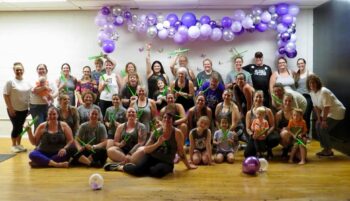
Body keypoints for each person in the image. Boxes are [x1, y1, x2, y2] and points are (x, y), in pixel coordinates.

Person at [104, 112, 197, 178]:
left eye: (169, 118)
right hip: (151, 157)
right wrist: (157, 143)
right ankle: (120, 167)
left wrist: (188, 166)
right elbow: (147, 149)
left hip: (166, 161)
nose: (166, 120)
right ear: (162, 120)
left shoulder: (177, 133)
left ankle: (152, 169)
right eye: (164, 118)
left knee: (155, 172)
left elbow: (181, 151)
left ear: (172, 121)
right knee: (137, 172)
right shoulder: (156, 132)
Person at [307, 74, 346, 156]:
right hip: (327, 112)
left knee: (322, 128)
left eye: (313, 83)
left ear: (317, 83)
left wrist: (323, 120)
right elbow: (316, 107)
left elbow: (327, 107)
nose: (312, 85)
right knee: (317, 126)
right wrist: (318, 119)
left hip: (336, 112)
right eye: (310, 83)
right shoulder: (312, 92)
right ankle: (325, 148)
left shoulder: (324, 91)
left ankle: (329, 150)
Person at [3, 62, 31, 153]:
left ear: (23, 70)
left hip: (24, 109)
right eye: (17, 70)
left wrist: (29, 108)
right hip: (14, 109)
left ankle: (19, 144)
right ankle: (13, 145)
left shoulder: (27, 82)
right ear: (14, 70)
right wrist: (10, 108)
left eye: (20, 69)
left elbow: (29, 95)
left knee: (20, 127)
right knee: (16, 127)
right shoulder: (10, 82)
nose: (19, 71)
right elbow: (5, 95)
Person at [245, 91, 277, 159]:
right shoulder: (249, 113)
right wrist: (252, 135)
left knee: (275, 139)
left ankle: (268, 149)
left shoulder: (268, 111)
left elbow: (272, 126)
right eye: (256, 97)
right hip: (255, 135)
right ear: (253, 98)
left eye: (260, 97)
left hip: (265, 134)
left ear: (263, 99)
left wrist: (266, 134)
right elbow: (247, 128)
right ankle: (258, 151)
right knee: (247, 154)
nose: (258, 99)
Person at [30, 64, 58, 130]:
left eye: (43, 69)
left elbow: (57, 91)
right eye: (39, 69)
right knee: (39, 126)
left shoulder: (51, 81)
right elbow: (34, 90)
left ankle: (46, 140)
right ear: (37, 71)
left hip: (48, 107)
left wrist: (52, 96)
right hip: (36, 107)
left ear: (46, 71)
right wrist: (45, 87)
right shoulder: (33, 80)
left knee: (49, 126)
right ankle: (38, 140)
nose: (41, 70)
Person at [294, 58, 313, 139]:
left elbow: (315, 86)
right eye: (298, 63)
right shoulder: (296, 75)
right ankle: (298, 134)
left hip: (307, 97)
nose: (300, 65)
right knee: (297, 116)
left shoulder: (310, 74)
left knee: (306, 116)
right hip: (298, 98)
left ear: (305, 64)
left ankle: (307, 135)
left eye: (302, 63)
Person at [275, 93, 295, 159]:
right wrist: (281, 129)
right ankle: (286, 149)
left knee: (300, 157)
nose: (287, 102)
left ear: (292, 102)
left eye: (289, 101)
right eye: (286, 100)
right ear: (283, 101)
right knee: (285, 133)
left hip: (294, 134)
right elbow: (275, 127)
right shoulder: (279, 114)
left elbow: (301, 125)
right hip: (283, 135)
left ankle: (290, 148)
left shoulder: (296, 112)